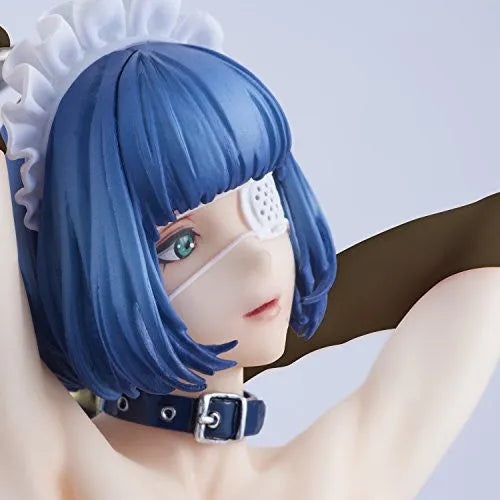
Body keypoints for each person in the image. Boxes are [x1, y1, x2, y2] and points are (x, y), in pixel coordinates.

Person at [1, 1, 499, 498]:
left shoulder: (333, 476)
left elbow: (480, 247)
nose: (259, 257)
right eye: (181, 244)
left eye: (262, 198)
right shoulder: (58, 468)